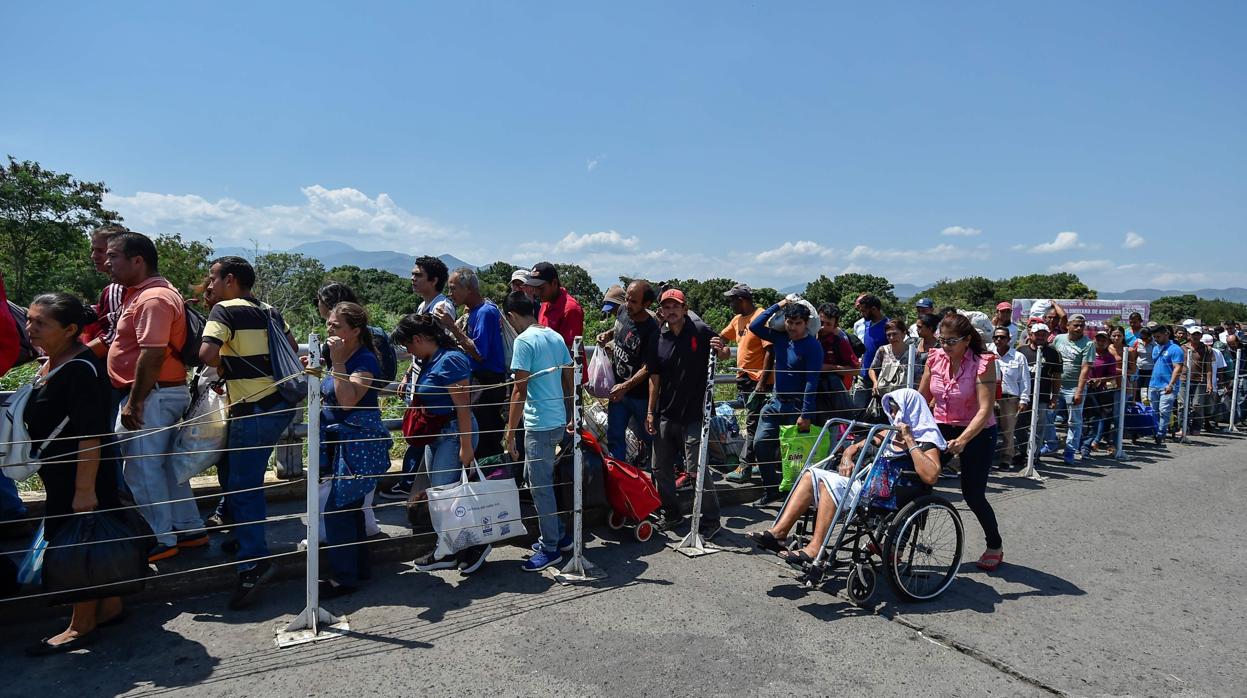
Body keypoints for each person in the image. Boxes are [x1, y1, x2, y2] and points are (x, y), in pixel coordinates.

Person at [22, 294, 126, 656]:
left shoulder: (81, 370)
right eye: (30, 319)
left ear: (69, 330)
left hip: (80, 474)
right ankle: (110, 605)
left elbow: (90, 435)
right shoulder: (53, 362)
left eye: (40, 323)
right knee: (94, 540)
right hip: (62, 471)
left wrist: (84, 490)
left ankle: (81, 624)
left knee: (78, 545)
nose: (30, 328)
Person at [199, 256, 300, 607]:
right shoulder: (269, 309)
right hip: (279, 403)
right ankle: (242, 538)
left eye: (212, 278)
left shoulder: (224, 310)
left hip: (251, 406)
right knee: (239, 475)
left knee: (244, 486)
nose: (208, 286)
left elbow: (206, 353)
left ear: (230, 280)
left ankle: (253, 562)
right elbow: (289, 346)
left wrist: (225, 362)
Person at [745, 389, 944, 566]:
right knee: (810, 474)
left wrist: (910, 440)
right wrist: (848, 455)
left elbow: (931, 476)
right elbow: (856, 445)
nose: (893, 415)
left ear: (910, 410)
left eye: (896, 409)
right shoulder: (888, 433)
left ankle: (816, 549)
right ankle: (779, 533)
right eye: (891, 409)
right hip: (866, 485)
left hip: (887, 494)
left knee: (827, 483)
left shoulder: (926, 440)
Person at [104, 232, 204, 563]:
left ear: (138, 260)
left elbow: (152, 353)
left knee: (142, 470)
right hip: (158, 393)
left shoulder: (152, 299)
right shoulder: (150, 294)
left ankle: (160, 537)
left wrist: (134, 401)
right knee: (162, 467)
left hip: (151, 395)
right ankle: (188, 529)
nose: (107, 262)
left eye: (114, 256)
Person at [391, 313, 484, 573]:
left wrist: (465, 446)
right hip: (440, 434)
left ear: (419, 339)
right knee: (443, 496)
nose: (407, 350)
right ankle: (450, 548)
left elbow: (463, 407)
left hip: (453, 433)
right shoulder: (431, 359)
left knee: (447, 495)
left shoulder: (451, 360)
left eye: (408, 344)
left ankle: (468, 546)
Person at [317, 303, 393, 594]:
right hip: (342, 446)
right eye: (329, 324)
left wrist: (336, 364)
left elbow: (348, 400)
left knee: (338, 509)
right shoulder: (343, 355)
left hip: (356, 446)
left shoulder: (364, 361)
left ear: (355, 331)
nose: (329, 329)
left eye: (336, 326)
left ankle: (345, 576)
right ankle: (358, 568)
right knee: (350, 508)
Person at [919, 313, 1003, 571]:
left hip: (977, 430)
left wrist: (964, 439)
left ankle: (994, 544)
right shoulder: (934, 358)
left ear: (967, 340)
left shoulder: (983, 362)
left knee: (973, 494)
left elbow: (986, 409)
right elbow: (921, 397)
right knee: (918, 481)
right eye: (942, 340)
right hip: (941, 425)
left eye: (951, 341)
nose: (945, 346)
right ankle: (902, 543)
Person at [504, 291, 575, 572]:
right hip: (557, 418)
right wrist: (571, 413)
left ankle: (550, 547)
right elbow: (569, 374)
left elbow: (519, 390)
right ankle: (559, 534)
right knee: (534, 479)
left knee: (540, 487)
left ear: (512, 317)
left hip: (538, 423)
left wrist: (510, 433)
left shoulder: (523, 341)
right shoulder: (554, 336)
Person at [645, 288, 725, 534]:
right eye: (666, 307)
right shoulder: (659, 337)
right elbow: (654, 377)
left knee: (695, 470)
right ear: (662, 310)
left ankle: (711, 519)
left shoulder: (699, 331)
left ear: (684, 308)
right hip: (666, 414)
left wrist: (721, 349)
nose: (671, 311)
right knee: (660, 469)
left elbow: (722, 352)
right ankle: (672, 514)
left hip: (694, 414)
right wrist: (650, 412)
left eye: (675, 306)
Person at [747, 298, 824, 506]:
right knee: (760, 444)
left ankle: (796, 498)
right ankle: (772, 490)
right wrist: (781, 304)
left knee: (795, 456)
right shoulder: (780, 338)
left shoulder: (812, 346)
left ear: (806, 323)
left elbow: (811, 381)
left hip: (797, 407)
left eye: (797, 323)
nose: (792, 327)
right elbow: (754, 325)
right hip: (775, 403)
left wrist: (806, 414)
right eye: (789, 322)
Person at [438, 267, 509, 461]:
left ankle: (490, 481)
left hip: (487, 383)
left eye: (453, 288)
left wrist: (452, 326)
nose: (450, 294)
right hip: (481, 382)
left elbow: (479, 354)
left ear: (468, 288)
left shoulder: (485, 312)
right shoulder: (477, 310)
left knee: (485, 440)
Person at [602, 280, 658, 463]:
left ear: (646, 304)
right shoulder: (622, 311)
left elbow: (648, 367)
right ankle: (618, 476)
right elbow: (619, 326)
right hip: (618, 390)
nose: (628, 304)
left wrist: (625, 386)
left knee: (650, 437)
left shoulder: (652, 329)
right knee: (615, 437)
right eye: (627, 299)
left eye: (633, 301)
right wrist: (608, 335)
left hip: (638, 395)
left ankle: (663, 473)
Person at [719, 283, 770, 484]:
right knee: (754, 424)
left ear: (742, 300)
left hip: (758, 381)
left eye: (732, 300)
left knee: (752, 425)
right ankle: (756, 462)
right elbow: (722, 336)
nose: (730, 304)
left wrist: (762, 383)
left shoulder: (761, 316)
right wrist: (719, 347)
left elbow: (770, 351)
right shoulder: (738, 320)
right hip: (744, 379)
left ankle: (745, 467)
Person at [1051, 313, 1094, 465]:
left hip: (1074, 386)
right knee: (1048, 416)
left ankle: (1070, 451)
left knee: (1074, 421)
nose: (1078, 328)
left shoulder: (1088, 344)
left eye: (1081, 326)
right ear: (1067, 326)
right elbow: (1052, 359)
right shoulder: (1059, 339)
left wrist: (1079, 391)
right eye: (1075, 325)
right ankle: (1051, 443)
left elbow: (1085, 368)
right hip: (1056, 385)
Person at [1016, 322, 1062, 458]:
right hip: (1022, 396)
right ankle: (1024, 452)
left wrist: (1054, 398)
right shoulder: (1021, 351)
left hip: (1042, 397)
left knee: (1038, 427)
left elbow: (1057, 377)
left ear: (1048, 335)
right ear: (1030, 335)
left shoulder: (1054, 353)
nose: (1040, 337)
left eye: (1043, 334)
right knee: (1018, 426)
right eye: (1037, 334)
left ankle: (1034, 455)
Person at [812, 302, 859, 428]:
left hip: (830, 401)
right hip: (805, 398)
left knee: (829, 436)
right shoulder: (805, 337)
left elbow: (855, 370)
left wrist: (830, 368)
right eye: (821, 322)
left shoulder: (839, 343)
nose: (823, 327)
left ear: (835, 325)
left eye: (828, 324)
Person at [524, 261, 584, 352]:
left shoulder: (570, 309)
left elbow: (570, 351)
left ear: (554, 283)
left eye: (541, 288)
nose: (536, 292)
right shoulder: (545, 304)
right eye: (534, 288)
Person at [992, 327, 1031, 467]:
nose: (999, 340)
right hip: (990, 398)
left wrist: (1024, 399)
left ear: (1009, 339)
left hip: (1009, 398)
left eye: (1002, 337)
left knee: (1008, 430)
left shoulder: (1018, 357)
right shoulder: (988, 355)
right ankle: (987, 457)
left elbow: (1025, 380)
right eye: (996, 337)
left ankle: (1006, 458)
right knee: (988, 429)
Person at [1147, 325, 1185, 445]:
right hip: (1153, 384)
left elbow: (1178, 367)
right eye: (1154, 337)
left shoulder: (1175, 349)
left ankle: (1161, 434)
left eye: (1158, 336)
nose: (1156, 339)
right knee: (1154, 411)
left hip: (1167, 385)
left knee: (1164, 411)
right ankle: (1154, 431)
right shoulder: (1155, 348)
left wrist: (1171, 384)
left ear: (1166, 334)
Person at [1083, 330, 1119, 454]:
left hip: (1101, 390)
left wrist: (1099, 380)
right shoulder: (1088, 353)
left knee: (1101, 416)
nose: (1101, 342)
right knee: (1086, 417)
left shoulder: (1109, 357)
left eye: (1104, 340)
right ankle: (1085, 441)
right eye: (1099, 339)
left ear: (1107, 342)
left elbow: (1112, 375)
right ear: (1094, 340)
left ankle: (1096, 440)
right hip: (1085, 388)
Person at [851, 294, 888, 411]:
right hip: (863, 376)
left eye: (864, 311)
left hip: (881, 378)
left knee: (878, 412)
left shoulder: (888, 326)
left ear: (874, 309)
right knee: (857, 410)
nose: (862, 314)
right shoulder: (866, 324)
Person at [869, 319, 911, 401]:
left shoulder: (913, 353)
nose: (891, 337)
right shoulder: (882, 350)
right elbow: (872, 369)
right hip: (884, 397)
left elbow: (918, 377)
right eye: (888, 335)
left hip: (905, 398)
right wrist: (875, 382)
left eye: (895, 334)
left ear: (903, 333)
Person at [1132, 326, 1156, 401]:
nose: (1144, 340)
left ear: (1150, 336)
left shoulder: (1155, 343)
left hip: (1150, 369)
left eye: (1145, 338)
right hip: (1139, 368)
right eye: (1142, 338)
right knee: (1137, 387)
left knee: (1146, 388)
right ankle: (1136, 402)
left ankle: (1145, 403)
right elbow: (1134, 356)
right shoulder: (1137, 342)